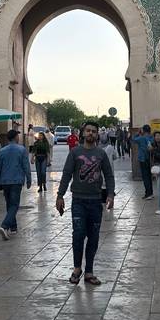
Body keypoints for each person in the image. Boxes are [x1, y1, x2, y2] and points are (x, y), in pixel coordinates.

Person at [56, 120, 115, 286]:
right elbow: (67, 174)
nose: (90, 133)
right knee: (78, 234)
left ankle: (89, 271)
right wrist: (60, 195)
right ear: (82, 133)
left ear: (97, 135)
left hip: (96, 202)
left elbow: (109, 175)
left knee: (94, 237)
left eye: (94, 131)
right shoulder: (75, 153)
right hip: (78, 201)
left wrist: (110, 194)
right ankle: (77, 268)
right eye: (88, 131)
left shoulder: (101, 154)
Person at [0, 129, 32, 238]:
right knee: (14, 205)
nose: (19, 137)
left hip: (4, 181)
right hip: (16, 181)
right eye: (18, 136)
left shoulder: (2, 151)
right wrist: (29, 179)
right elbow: (26, 166)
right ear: (15, 137)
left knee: (9, 204)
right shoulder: (22, 150)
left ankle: (13, 227)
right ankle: (4, 226)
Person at [132, 125, 154, 199]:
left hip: (142, 159)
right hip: (149, 159)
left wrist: (138, 133)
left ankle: (148, 193)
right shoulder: (151, 138)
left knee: (145, 177)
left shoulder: (141, 138)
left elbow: (133, 139)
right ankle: (151, 192)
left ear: (143, 131)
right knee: (149, 176)